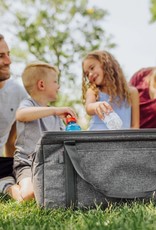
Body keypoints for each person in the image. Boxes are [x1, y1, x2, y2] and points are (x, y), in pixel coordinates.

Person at [10, 60, 77, 202]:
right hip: (26, 163)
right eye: (55, 82)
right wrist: (55, 110)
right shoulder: (28, 104)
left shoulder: (55, 117)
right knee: (29, 196)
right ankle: (8, 186)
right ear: (42, 85)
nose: (58, 86)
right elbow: (21, 115)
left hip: (48, 165)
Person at [82, 50, 139, 130]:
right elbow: (88, 108)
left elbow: (135, 126)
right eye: (87, 74)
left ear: (105, 64)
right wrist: (96, 105)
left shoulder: (132, 92)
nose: (90, 75)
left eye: (92, 68)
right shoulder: (93, 91)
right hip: (96, 140)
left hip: (122, 141)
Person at [0, 34, 27, 196]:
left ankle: (7, 181)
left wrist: (15, 170)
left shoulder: (17, 92)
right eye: (0, 56)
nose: (8, 61)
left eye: (8, 54)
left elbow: (12, 140)